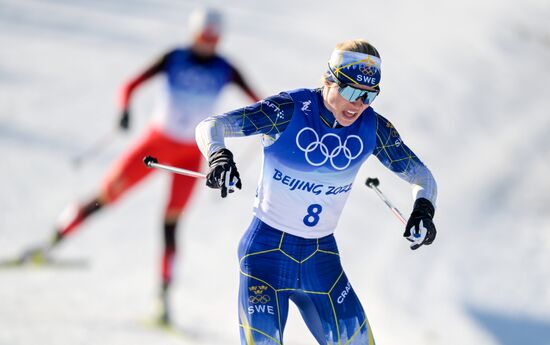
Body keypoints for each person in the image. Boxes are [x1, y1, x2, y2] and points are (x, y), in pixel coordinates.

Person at [22, 7, 260, 325]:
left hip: (191, 154)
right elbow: (129, 85)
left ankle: (163, 301)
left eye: (213, 39)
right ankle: (49, 244)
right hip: (155, 146)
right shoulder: (173, 57)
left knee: (171, 224)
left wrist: (268, 125)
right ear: (193, 34)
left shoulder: (226, 69)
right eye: (203, 38)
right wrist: (124, 109)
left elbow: (260, 103)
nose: (207, 44)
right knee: (104, 197)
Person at [195, 39, 438, 344]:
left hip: (321, 259)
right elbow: (211, 126)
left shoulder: (373, 128)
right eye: (350, 91)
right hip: (266, 256)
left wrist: (423, 211)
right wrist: (219, 156)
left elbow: (422, 176)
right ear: (328, 80)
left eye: (368, 96)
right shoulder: (289, 110)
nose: (357, 104)